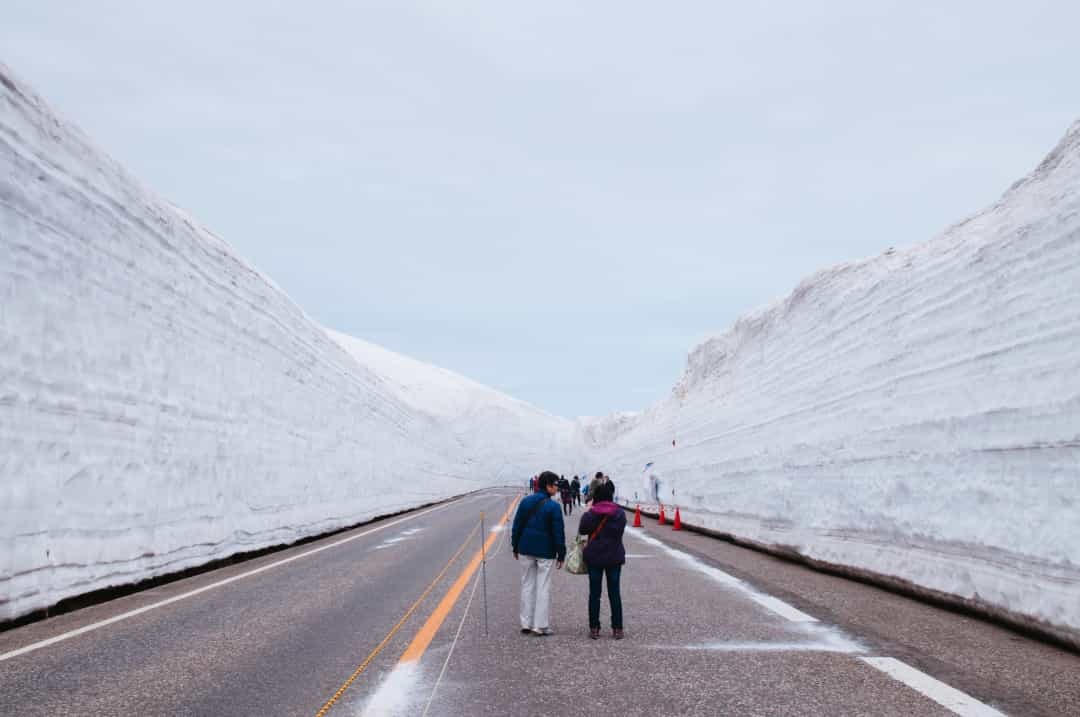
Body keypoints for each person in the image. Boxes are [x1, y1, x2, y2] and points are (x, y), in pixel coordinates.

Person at [511, 471, 566, 636]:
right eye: (555, 485)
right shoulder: (554, 507)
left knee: (527, 584)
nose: (557, 488)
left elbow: (517, 525)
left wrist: (515, 546)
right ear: (548, 486)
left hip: (525, 549)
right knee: (542, 587)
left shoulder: (525, 501)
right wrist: (561, 553)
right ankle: (540, 625)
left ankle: (525, 622)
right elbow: (558, 533)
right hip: (545, 552)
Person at [578, 480, 626, 639]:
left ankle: (594, 628)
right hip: (614, 557)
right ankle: (617, 628)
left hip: (595, 558)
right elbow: (620, 531)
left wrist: (590, 510)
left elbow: (582, 529)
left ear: (596, 497)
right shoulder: (619, 513)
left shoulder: (591, 514)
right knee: (614, 593)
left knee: (594, 594)